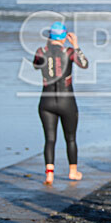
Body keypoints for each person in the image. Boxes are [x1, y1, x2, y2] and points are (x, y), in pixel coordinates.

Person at [33, 22, 88, 185]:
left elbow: (36, 65)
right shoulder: (69, 51)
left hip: (46, 101)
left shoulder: (41, 51)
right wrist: (76, 45)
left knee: (49, 139)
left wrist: (47, 46)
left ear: (50, 36)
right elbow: (84, 64)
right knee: (70, 138)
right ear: (64, 37)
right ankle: (73, 171)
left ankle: (49, 174)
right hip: (67, 101)